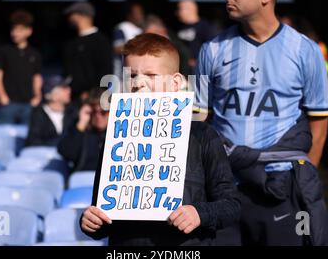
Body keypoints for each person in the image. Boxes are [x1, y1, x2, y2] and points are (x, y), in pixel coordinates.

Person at [194, 0, 328, 245]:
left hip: (280, 188)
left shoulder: (305, 50)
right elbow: (198, 121)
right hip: (223, 188)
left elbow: (319, 121)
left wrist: (304, 177)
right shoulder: (211, 50)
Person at [80, 33, 241, 246]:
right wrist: (92, 222)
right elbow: (103, 213)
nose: (138, 83)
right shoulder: (114, 135)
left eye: (150, 75)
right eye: (131, 75)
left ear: (176, 83)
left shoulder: (202, 135)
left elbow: (232, 205)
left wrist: (200, 214)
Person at [0, 10, 43, 124]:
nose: (15, 33)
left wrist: (37, 96)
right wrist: (2, 96)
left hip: (28, 103)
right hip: (8, 103)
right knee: (3, 134)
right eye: (13, 29)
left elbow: (37, 77)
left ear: (29, 31)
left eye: (19, 30)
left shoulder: (35, 54)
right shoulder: (4, 51)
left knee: (27, 136)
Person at [63, 2, 113, 100]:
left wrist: (95, 93)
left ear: (81, 15)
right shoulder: (71, 43)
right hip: (74, 98)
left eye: (72, 14)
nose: (69, 18)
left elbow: (106, 70)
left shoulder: (101, 41)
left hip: (94, 99)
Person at [57, 87, 109, 173]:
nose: (98, 116)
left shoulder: (118, 133)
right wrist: (81, 124)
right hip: (83, 180)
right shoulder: (80, 130)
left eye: (103, 112)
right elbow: (66, 153)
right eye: (93, 112)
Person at [25, 75, 76, 147]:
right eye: (64, 88)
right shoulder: (38, 114)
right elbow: (33, 142)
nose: (69, 90)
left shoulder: (73, 113)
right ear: (52, 95)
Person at [176, 0, 218, 72]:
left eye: (180, 9)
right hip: (183, 69)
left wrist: (198, 61)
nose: (177, 13)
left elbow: (212, 48)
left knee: (195, 83)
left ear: (189, 10)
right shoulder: (179, 27)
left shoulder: (204, 27)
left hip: (198, 69)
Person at [112, 2, 145, 79]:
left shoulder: (142, 29)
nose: (140, 15)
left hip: (137, 73)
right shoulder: (122, 27)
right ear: (129, 15)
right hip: (121, 74)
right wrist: (138, 46)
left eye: (141, 13)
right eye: (136, 13)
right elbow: (117, 49)